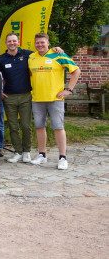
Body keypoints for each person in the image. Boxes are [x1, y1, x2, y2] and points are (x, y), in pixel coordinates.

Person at [28, 33, 80, 170]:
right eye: (37, 42)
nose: (40, 45)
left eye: (42, 42)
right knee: (39, 126)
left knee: (58, 127)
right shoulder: (31, 57)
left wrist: (69, 89)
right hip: (37, 98)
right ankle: (42, 155)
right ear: (35, 44)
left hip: (55, 98)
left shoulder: (59, 55)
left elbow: (76, 71)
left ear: (48, 43)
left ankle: (62, 157)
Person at [0, 33, 35, 163]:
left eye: (14, 41)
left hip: (25, 96)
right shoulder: (1, 59)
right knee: (13, 126)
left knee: (25, 125)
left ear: (18, 42)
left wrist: (56, 49)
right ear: (6, 43)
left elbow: (43, 54)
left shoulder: (28, 54)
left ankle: (26, 151)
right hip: (9, 97)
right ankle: (17, 151)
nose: (12, 43)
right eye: (9, 41)